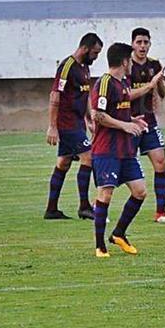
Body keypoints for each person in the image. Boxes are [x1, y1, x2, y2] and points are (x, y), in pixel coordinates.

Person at [89, 43, 154, 258]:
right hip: (106, 150)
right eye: (130, 60)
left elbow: (117, 112)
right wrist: (125, 125)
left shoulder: (123, 83)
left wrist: (132, 119)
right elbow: (98, 114)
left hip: (125, 150)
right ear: (124, 61)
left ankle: (118, 234)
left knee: (140, 191)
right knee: (105, 194)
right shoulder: (105, 83)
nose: (131, 65)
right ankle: (100, 246)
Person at [44, 33, 103, 220]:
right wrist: (52, 126)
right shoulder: (67, 66)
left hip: (77, 123)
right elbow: (55, 96)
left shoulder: (85, 68)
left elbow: (83, 95)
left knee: (63, 162)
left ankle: (51, 210)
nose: (96, 57)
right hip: (66, 123)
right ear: (85, 49)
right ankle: (84, 206)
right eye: (95, 53)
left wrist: (89, 118)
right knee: (89, 157)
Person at [129, 27, 165, 224]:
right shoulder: (126, 66)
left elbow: (163, 92)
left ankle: (161, 212)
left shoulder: (154, 64)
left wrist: (158, 83)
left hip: (149, 121)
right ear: (133, 44)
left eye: (146, 42)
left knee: (161, 162)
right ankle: (101, 205)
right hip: (128, 121)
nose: (143, 46)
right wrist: (148, 86)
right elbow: (125, 94)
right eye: (139, 42)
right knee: (120, 165)